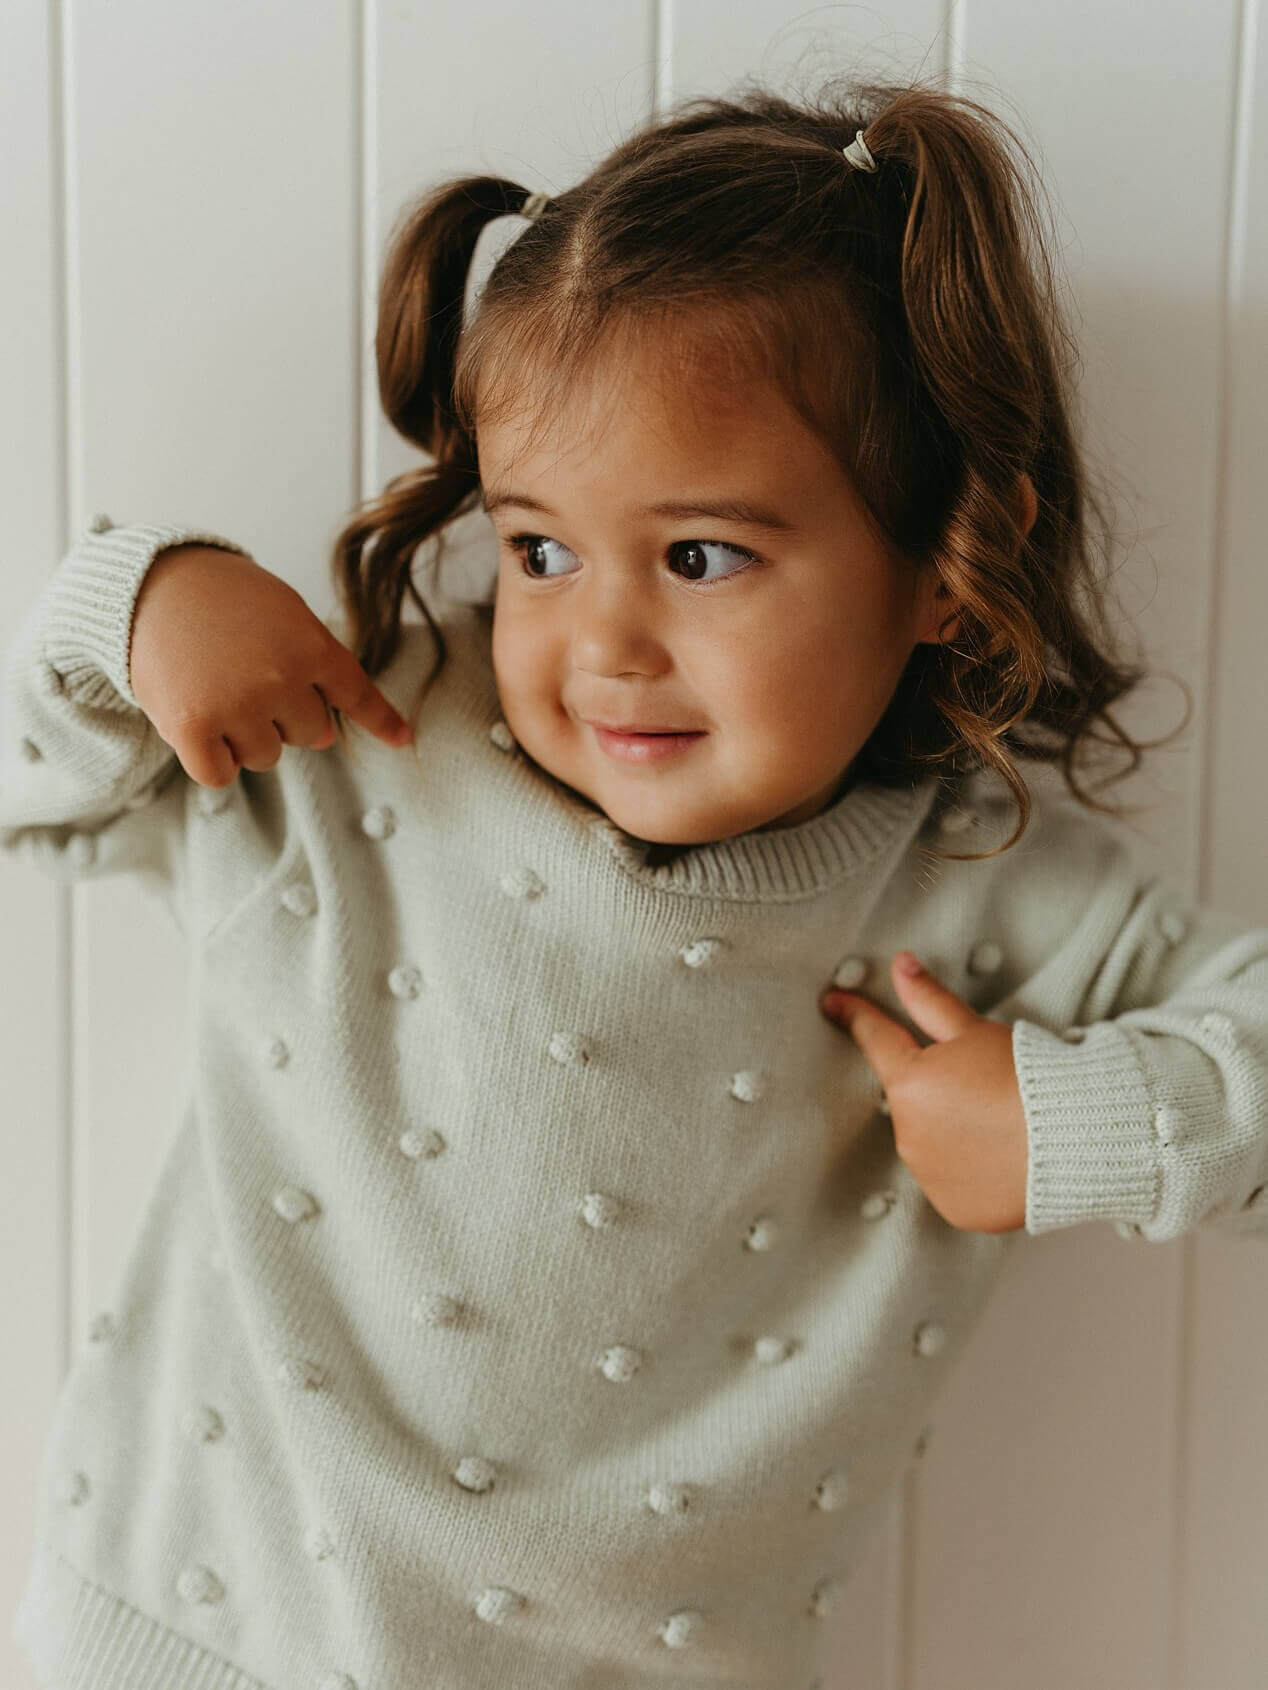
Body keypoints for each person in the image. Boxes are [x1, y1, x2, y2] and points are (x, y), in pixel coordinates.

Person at [6, 71, 1268, 1690]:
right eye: (538, 550)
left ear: (952, 565)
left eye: (700, 556)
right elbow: (43, 806)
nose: (600, 644)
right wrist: (133, 605)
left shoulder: (992, 898)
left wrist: (1075, 1122)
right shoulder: (370, 729)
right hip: (181, 1639)